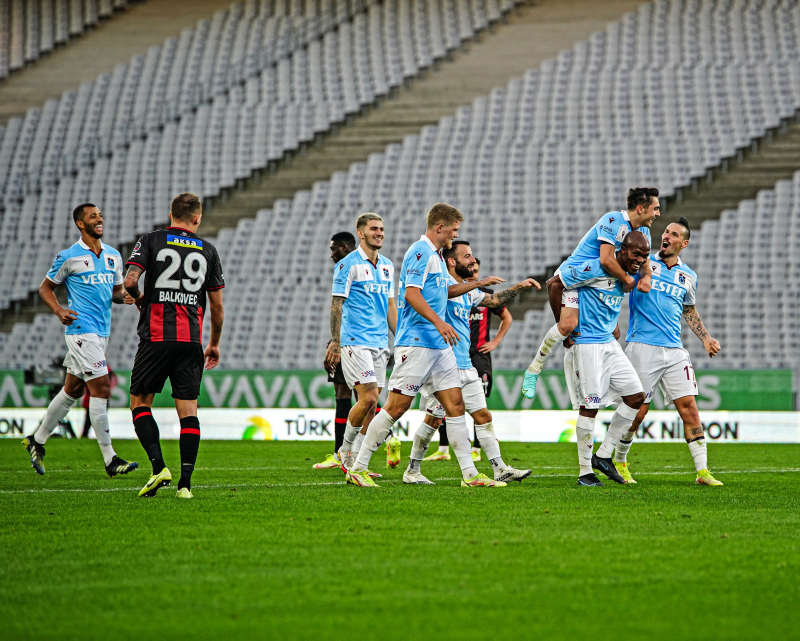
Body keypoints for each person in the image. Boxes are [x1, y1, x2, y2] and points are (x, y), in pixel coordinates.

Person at [345, 203, 504, 488]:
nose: (456, 235)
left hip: (438, 346)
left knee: (455, 406)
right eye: (454, 230)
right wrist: (440, 323)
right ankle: (358, 467)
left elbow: (445, 292)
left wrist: (477, 284)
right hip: (417, 342)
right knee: (396, 407)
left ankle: (470, 475)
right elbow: (411, 294)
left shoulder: (437, 257)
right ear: (440, 227)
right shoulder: (420, 252)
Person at [404, 240, 539, 484]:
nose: (473, 260)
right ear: (452, 261)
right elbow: (443, 293)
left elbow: (495, 301)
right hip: (444, 364)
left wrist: (519, 286)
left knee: (483, 416)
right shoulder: (441, 285)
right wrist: (478, 282)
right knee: (433, 420)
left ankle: (500, 468)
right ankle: (413, 469)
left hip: (466, 364)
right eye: (467, 256)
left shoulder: (469, 290)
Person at [23, 203, 138, 477]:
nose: (99, 219)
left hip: (101, 332)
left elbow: (115, 291)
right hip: (81, 330)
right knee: (101, 389)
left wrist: (125, 297)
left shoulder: (113, 256)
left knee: (73, 390)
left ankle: (36, 440)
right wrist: (59, 310)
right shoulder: (69, 257)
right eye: (92, 216)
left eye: (100, 215)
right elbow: (45, 288)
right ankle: (110, 459)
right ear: (80, 223)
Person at [124, 193, 225, 499]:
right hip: (191, 340)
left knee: (140, 404)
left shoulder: (151, 240)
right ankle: (185, 485)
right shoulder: (208, 250)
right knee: (188, 411)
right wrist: (214, 344)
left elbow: (130, 282)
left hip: (156, 337)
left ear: (171, 214)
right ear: (197, 218)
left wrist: (140, 300)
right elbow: (217, 307)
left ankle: (158, 468)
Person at [613, 217, 723, 486]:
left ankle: (702, 472)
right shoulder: (643, 264)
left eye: (674, 234)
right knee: (638, 412)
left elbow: (689, 309)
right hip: (642, 346)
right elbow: (617, 286)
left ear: (684, 243)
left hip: (675, 350)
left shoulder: (689, 276)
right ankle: (619, 461)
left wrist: (706, 338)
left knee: (690, 410)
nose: (667, 236)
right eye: (665, 231)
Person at [523, 187, 660, 400]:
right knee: (567, 326)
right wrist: (626, 280)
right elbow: (606, 259)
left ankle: (606, 381)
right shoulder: (613, 220)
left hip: (601, 280)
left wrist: (647, 278)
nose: (658, 213)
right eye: (655, 208)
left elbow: (645, 264)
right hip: (576, 275)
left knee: (613, 333)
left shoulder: (644, 232)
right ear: (641, 209)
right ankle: (534, 369)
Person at [557, 231, 650, 486]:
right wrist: (563, 327)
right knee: (591, 407)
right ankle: (585, 472)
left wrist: (613, 324)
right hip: (587, 343)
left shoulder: (627, 274)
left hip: (609, 343)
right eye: (636, 254)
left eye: (644, 256)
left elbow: (607, 301)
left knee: (636, 397)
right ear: (622, 250)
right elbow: (555, 283)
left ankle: (604, 455)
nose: (640, 260)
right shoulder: (594, 268)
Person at [324, 213, 399, 477]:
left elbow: (391, 306)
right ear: (361, 233)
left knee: (371, 404)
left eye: (382, 229)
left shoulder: (387, 266)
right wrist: (336, 341)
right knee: (367, 398)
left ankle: (357, 461)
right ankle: (346, 452)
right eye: (374, 229)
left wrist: (400, 338)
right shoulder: (348, 264)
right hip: (355, 341)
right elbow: (337, 304)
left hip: (380, 343)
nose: (379, 233)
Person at [424, 256, 515, 462]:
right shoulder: (451, 292)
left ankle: (477, 450)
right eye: (471, 270)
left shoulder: (482, 294)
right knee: (443, 406)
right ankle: (443, 448)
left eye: (476, 271)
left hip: (479, 355)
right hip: (452, 355)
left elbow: (506, 316)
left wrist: (495, 341)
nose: (473, 274)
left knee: (478, 404)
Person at [314, 232, 358, 470]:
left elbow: (338, 306)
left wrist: (336, 341)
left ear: (345, 247)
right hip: (363, 340)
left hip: (352, 341)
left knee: (352, 396)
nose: (331, 254)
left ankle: (343, 453)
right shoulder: (367, 266)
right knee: (357, 396)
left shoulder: (347, 266)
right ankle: (344, 453)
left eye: (334, 249)